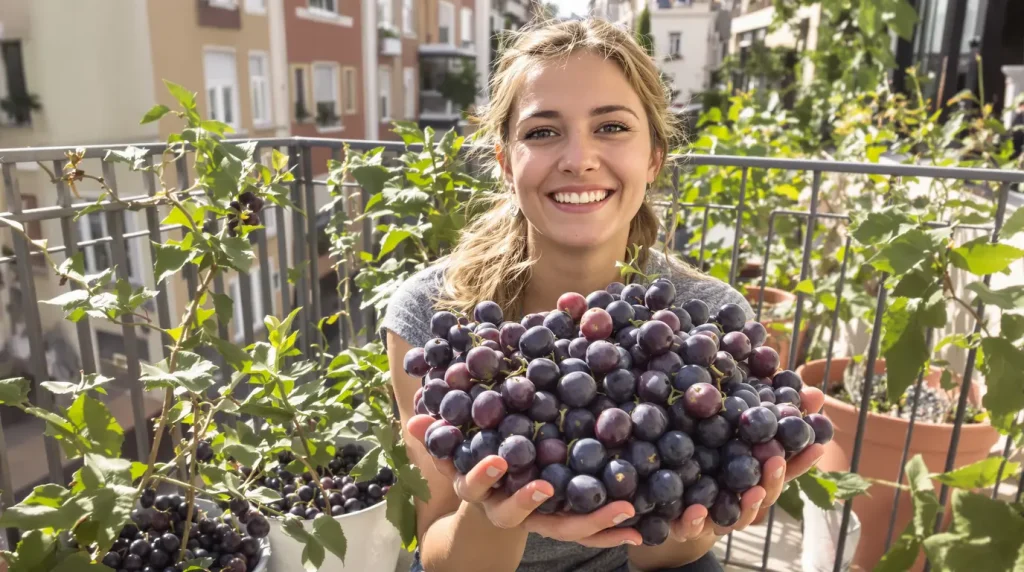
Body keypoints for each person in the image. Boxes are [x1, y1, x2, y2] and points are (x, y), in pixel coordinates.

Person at [381, 18, 825, 572]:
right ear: (504, 162)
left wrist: (700, 510)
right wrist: (494, 514)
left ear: (654, 157)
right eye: (543, 132)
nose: (579, 158)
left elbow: (673, 544)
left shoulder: (705, 323)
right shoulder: (435, 318)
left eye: (611, 127)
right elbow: (441, 553)